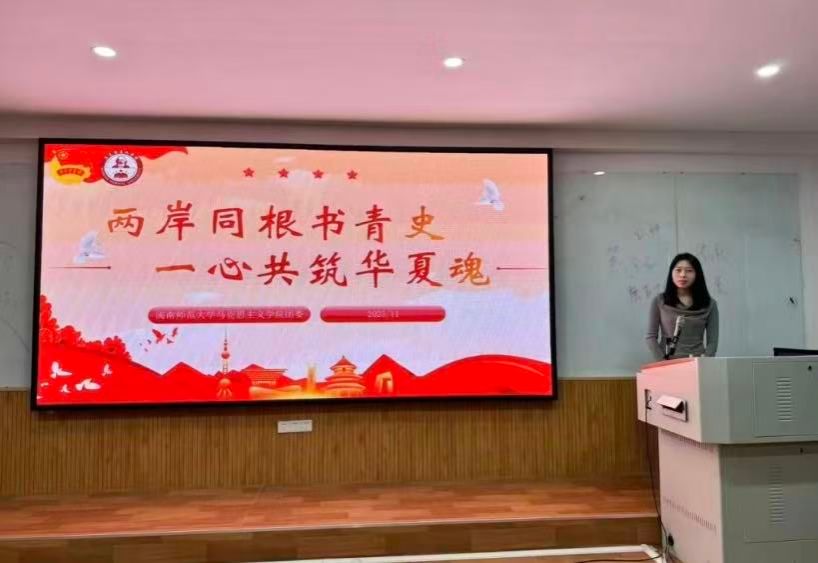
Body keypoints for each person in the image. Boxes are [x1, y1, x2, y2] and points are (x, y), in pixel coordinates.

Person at [646, 253, 719, 360]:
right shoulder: (659, 301)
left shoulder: (710, 304)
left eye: (689, 270)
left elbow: (712, 342)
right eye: (678, 270)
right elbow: (650, 337)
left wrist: (704, 361)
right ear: (671, 273)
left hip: (697, 362)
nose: (683, 275)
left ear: (697, 274)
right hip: (667, 363)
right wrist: (663, 362)